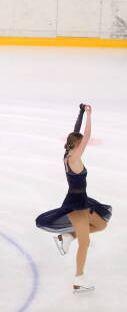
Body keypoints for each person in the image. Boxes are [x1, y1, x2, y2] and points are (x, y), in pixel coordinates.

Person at [35, 105, 111, 292]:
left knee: (101, 225)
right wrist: (90, 116)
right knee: (84, 244)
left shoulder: (68, 153)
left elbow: (77, 132)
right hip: (77, 205)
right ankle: (79, 279)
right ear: (77, 145)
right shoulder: (75, 157)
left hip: (81, 200)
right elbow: (85, 134)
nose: (84, 145)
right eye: (81, 144)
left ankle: (68, 235)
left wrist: (81, 113)